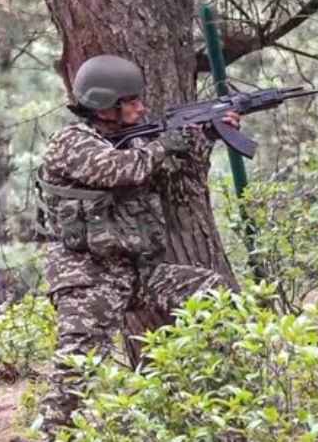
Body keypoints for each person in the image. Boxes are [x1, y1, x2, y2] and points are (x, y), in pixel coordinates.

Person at [34, 54, 240, 438]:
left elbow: (181, 190)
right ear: (104, 106)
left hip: (135, 272)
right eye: (132, 101)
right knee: (76, 367)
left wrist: (203, 139)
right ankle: (53, 435)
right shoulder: (71, 143)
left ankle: (215, 402)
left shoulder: (137, 143)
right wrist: (164, 145)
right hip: (88, 277)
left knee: (214, 296)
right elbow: (120, 170)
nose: (142, 108)